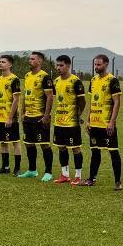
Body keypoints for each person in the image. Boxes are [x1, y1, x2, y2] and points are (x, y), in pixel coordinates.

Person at [86, 53, 123, 189]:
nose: (96, 67)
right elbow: (92, 102)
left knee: (113, 151)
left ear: (106, 64)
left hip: (106, 124)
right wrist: (88, 120)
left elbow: (117, 102)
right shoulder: (93, 80)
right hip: (94, 124)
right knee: (95, 152)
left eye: (99, 64)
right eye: (95, 64)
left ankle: (118, 182)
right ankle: (91, 179)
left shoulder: (112, 80)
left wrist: (112, 122)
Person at [50, 54, 86, 183]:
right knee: (61, 147)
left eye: (61, 65)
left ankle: (78, 176)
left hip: (71, 122)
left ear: (68, 66)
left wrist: (78, 115)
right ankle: (65, 175)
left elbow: (82, 101)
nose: (58, 68)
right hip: (59, 120)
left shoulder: (75, 81)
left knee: (75, 148)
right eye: (57, 65)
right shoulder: (56, 81)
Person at [20, 51, 53, 180]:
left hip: (40, 116)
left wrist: (46, 116)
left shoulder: (44, 77)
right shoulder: (27, 75)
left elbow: (50, 97)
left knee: (44, 143)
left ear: (40, 61)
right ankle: (32, 170)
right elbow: (25, 94)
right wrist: (22, 112)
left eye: (33, 59)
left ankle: (48, 172)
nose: (30, 61)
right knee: (29, 143)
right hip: (28, 116)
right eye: (30, 59)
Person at [0, 54, 22, 174]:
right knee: (3, 142)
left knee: (15, 141)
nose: (0, 63)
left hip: (10, 117)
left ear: (10, 65)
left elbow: (16, 100)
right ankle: (5, 167)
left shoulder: (14, 79)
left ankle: (17, 168)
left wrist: (10, 117)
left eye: (3, 62)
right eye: (0, 62)